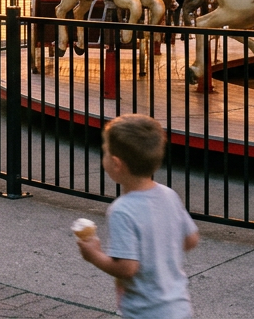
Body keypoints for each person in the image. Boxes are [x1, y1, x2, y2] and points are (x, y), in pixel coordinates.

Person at [77, 114, 199, 318]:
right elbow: (191, 239)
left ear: (116, 163)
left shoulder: (122, 210)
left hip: (147, 311)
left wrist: (93, 255)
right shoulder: (169, 195)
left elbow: (127, 268)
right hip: (179, 307)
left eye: (105, 151)